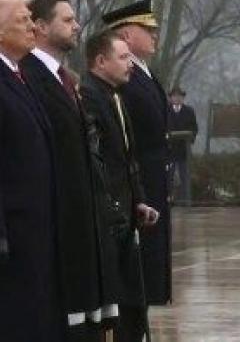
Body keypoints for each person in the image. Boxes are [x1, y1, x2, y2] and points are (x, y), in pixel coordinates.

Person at [21, 0, 110, 340]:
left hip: (81, 222)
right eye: (67, 20)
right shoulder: (30, 76)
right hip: (55, 222)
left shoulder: (66, 79)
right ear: (41, 27)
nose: (77, 26)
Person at [80, 29, 160, 342]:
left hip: (127, 211)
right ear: (100, 61)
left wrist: (137, 199)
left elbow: (128, 158)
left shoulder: (115, 95)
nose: (130, 64)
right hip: (108, 215)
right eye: (123, 57)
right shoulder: (89, 96)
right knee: (115, 300)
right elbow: (98, 161)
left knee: (133, 301)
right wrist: (113, 207)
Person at [0, 0, 63, 341]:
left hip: (36, 232)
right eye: (23, 20)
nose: (31, 28)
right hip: (14, 235)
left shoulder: (17, 76)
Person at [102, 0, 172, 307]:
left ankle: (154, 293)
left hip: (155, 172)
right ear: (128, 35)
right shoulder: (126, 78)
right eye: (148, 29)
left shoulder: (144, 72)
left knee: (155, 248)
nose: (155, 35)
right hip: (141, 172)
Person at [167, 86, 198, 206]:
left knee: (185, 176)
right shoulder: (166, 110)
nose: (177, 98)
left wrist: (190, 139)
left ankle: (186, 201)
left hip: (183, 150)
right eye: (174, 96)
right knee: (168, 176)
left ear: (183, 98)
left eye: (179, 96)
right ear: (171, 98)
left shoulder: (189, 111)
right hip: (170, 150)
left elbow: (194, 128)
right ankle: (168, 200)